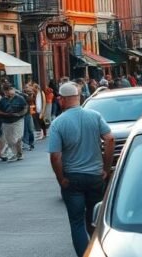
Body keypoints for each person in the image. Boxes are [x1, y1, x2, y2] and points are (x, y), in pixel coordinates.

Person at [48, 82, 115, 257]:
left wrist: (61, 179)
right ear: (78, 98)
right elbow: (110, 139)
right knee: (95, 221)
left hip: (73, 178)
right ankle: (100, 252)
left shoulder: (58, 123)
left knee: (77, 222)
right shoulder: (95, 116)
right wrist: (106, 168)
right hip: (95, 176)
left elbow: (55, 156)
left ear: (62, 100)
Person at [0, 84, 27, 162]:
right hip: (6, 121)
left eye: (9, 89)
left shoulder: (20, 98)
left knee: (18, 138)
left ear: (13, 89)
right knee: (10, 139)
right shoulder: (2, 100)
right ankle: (15, 154)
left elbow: (25, 107)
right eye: (6, 90)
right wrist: (5, 114)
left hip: (18, 120)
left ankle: (16, 153)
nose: (8, 92)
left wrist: (19, 114)